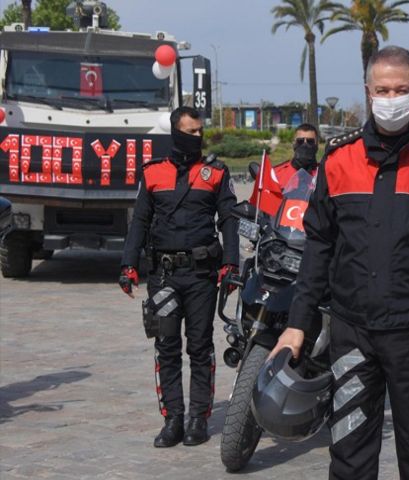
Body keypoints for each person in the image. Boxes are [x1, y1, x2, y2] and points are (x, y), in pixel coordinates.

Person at [270, 45, 409, 480]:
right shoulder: (340, 157)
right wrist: (298, 324)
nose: (391, 98)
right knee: (349, 456)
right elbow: (319, 246)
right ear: (367, 92)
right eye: (382, 89)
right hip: (352, 335)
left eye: (400, 89)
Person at [119, 106, 239, 448]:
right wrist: (129, 265)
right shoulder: (153, 173)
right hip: (164, 276)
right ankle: (173, 419)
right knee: (166, 347)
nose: (197, 138)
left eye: (200, 132)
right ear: (175, 132)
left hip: (202, 276)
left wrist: (231, 263)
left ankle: (198, 419)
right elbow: (139, 222)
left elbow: (228, 220)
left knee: (200, 347)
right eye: (191, 132)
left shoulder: (216, 172)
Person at [249, 123, 321, 216]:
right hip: (282, 227)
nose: (305, 145)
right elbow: (263, 208)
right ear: (294, 143)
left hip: (316, 227)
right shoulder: (276, 175)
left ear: (317, 144)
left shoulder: (324, 174)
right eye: (300, 141)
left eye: (310, 141)